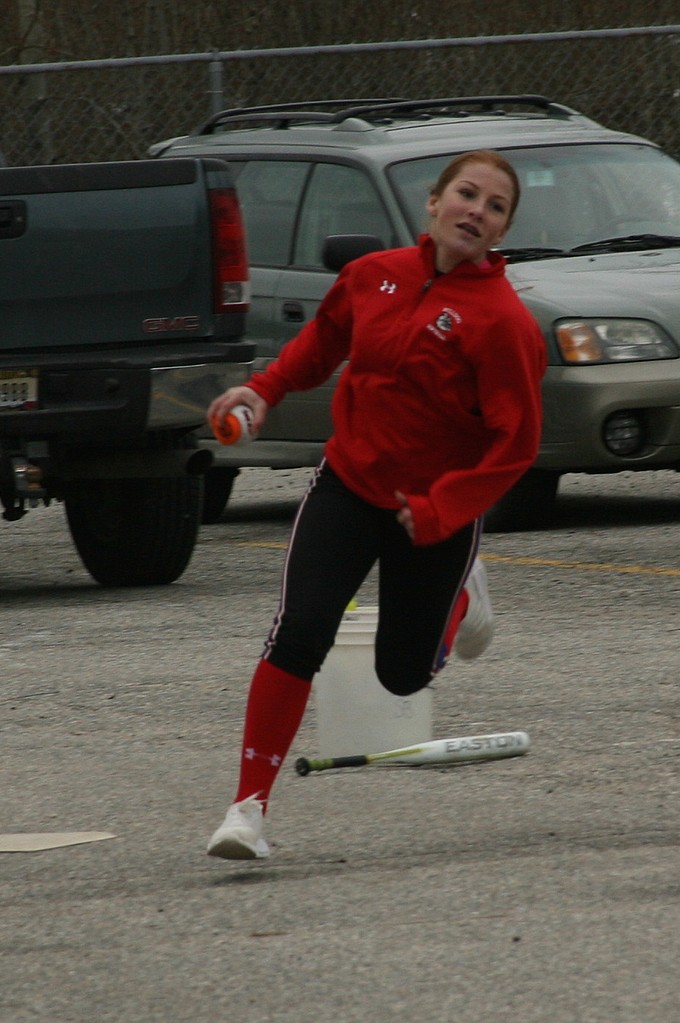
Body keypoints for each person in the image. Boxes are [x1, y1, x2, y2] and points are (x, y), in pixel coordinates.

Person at [205, 149, 547, 859]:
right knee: (298, 633)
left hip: (431, 514)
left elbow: (516, 444)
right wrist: (261, 391)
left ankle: (463, 595)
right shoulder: (374, 275)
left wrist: (447, 506)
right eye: (466, 194)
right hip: (349, 485)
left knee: (402, 673)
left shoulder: (503, 323)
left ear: (503, 228)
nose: (475, 212)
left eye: (495, 206)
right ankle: (247, 811)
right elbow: (322, 343)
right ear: (434, 201)